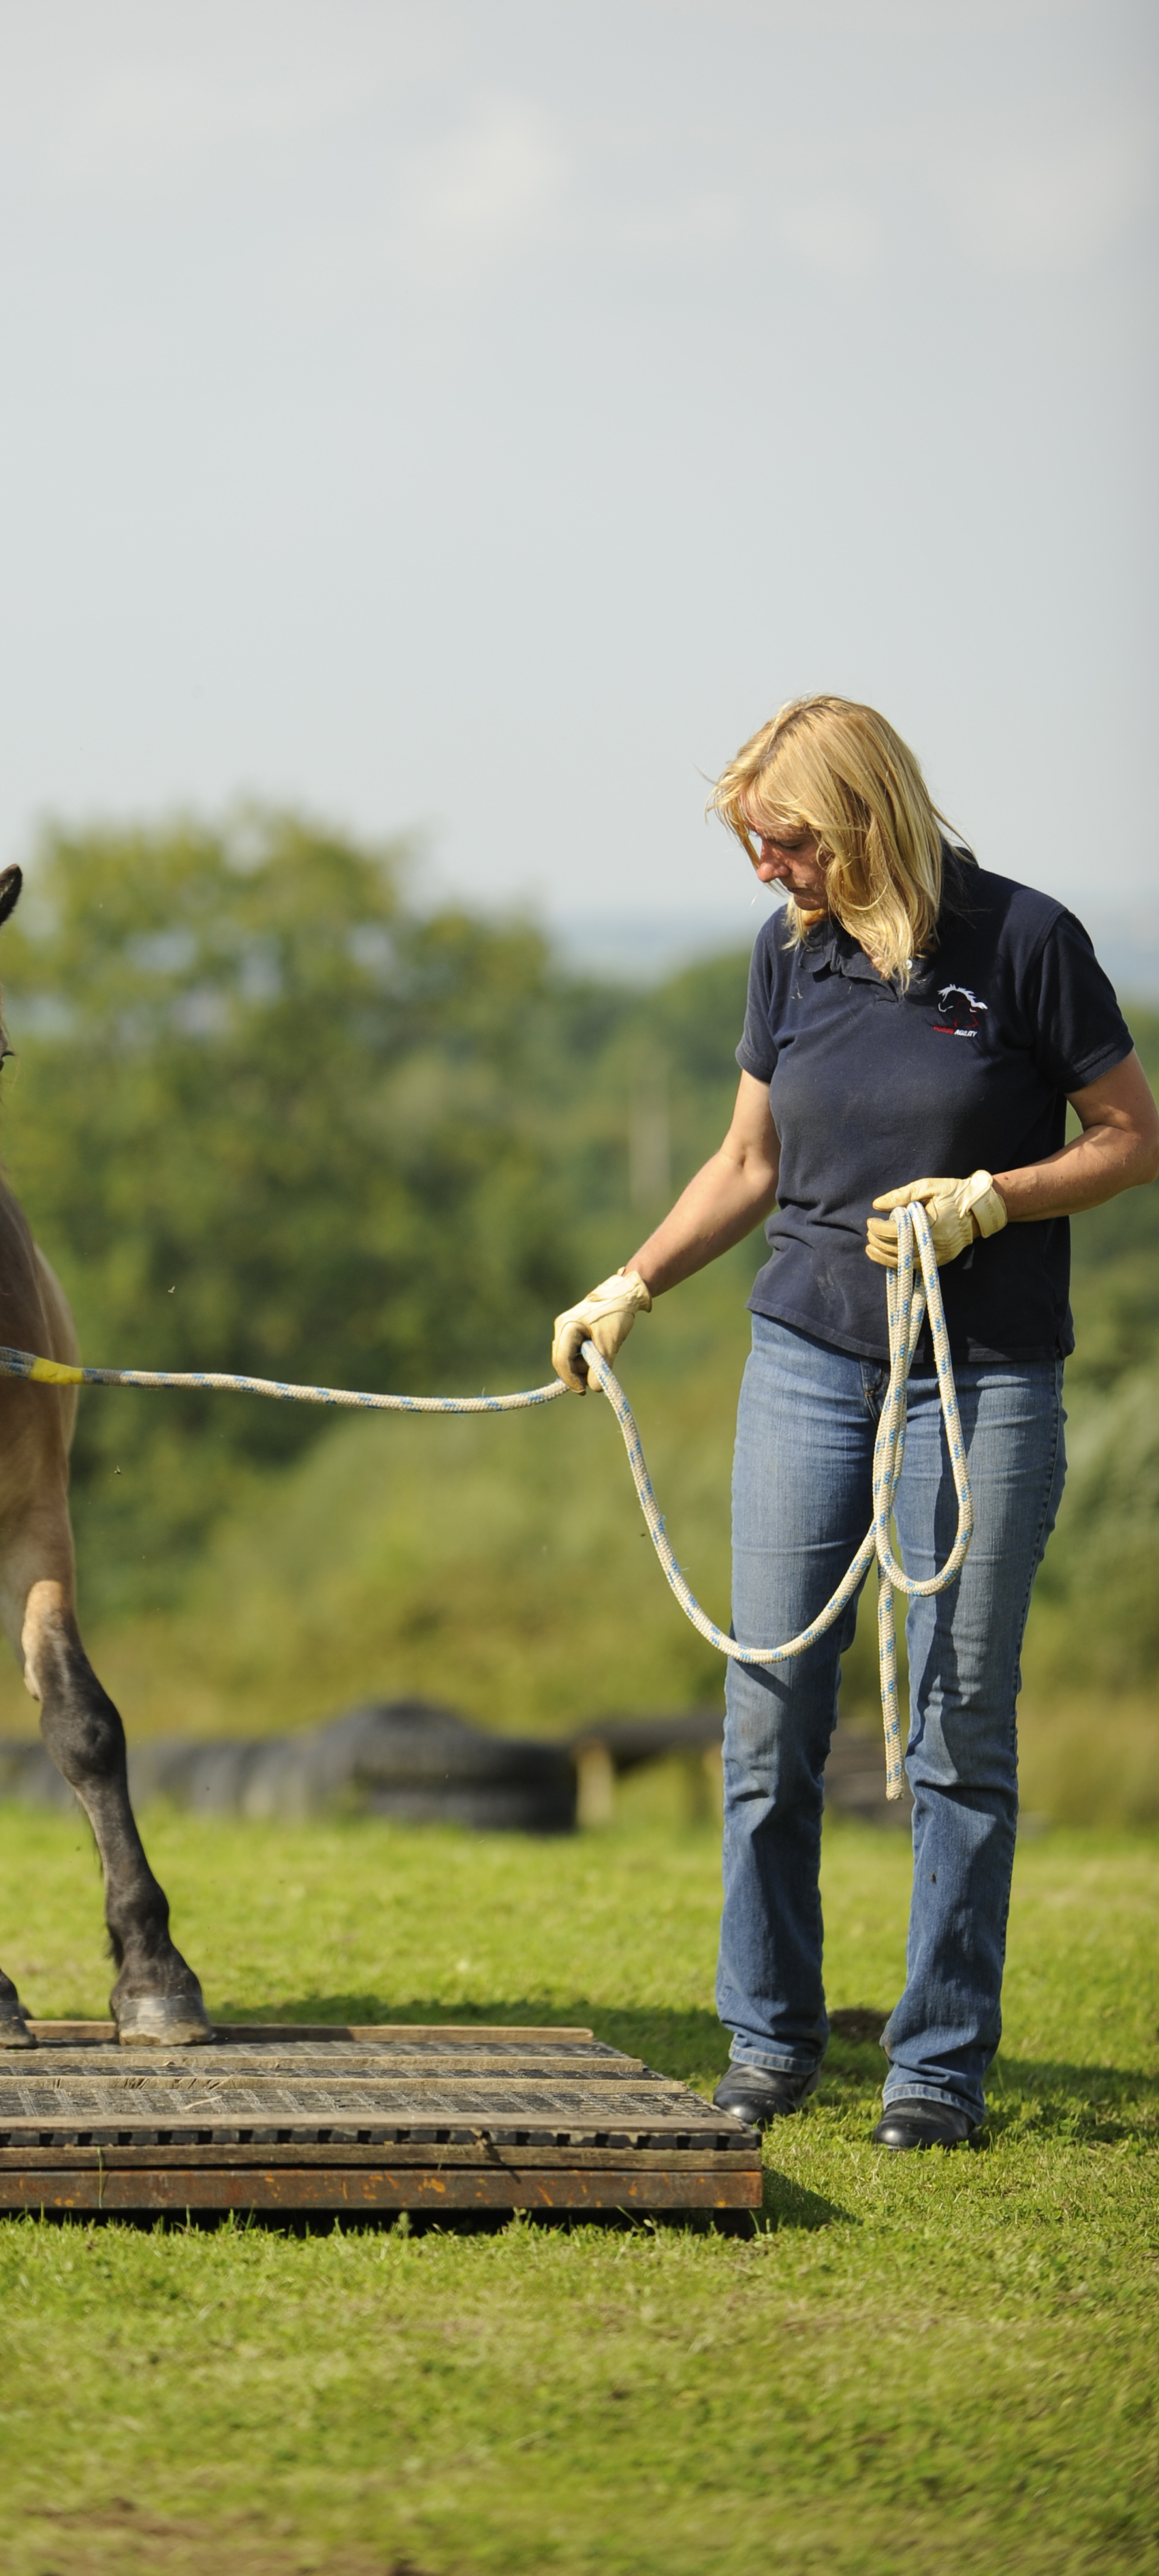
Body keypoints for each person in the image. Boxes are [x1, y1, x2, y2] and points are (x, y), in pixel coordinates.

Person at [550, 697, 1158, 2151]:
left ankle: (937, 2069)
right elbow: (749, 1156)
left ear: (865, 816)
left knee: (955, 1726)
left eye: (786, 840)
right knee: (768, 1714)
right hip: (809, 1357)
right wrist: (632, 1281)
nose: (766, 868)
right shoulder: (788, 954)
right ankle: (769, 2039)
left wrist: (995, 1198)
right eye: (752, 843)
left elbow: (1133, 1136)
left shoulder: (1025, 941)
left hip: (984, 1370)